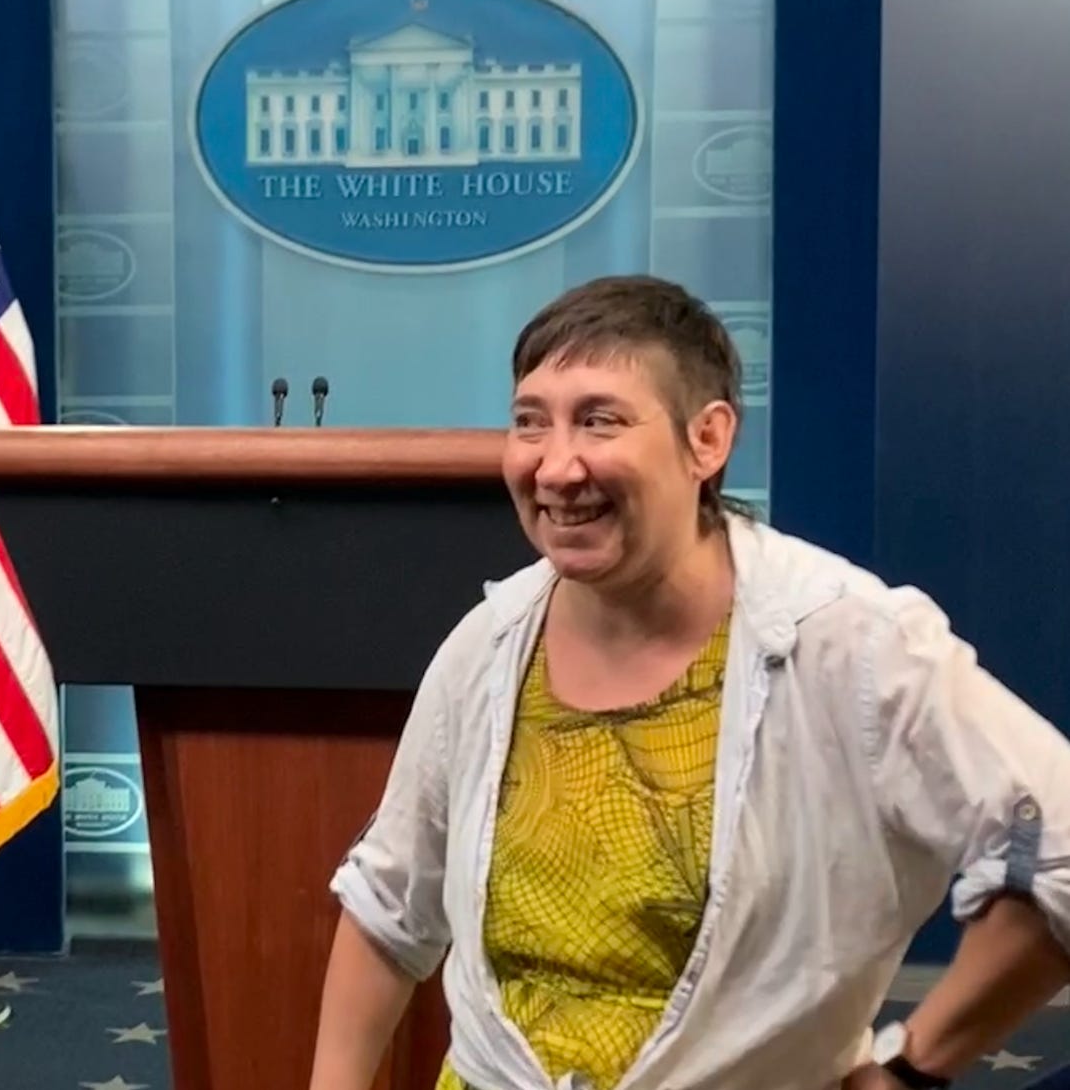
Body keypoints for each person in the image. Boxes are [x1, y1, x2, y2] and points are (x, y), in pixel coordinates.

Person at [307, 274, 1070, 1090]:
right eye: (531, 423)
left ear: (706, 441)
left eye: (599, 420)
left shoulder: (850, 644)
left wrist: (913, 1068)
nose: (556, 467)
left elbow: (1057, 846)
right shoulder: (488, 647)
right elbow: (389, 907)